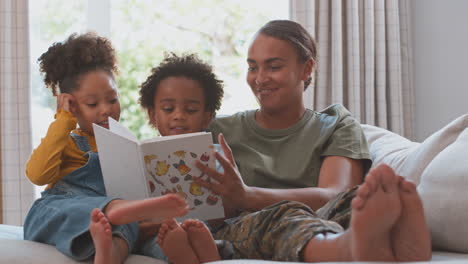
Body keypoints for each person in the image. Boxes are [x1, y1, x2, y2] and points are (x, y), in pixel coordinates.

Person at [191, 20, 432, 262]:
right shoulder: (217, 129)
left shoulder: (336, 123)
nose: (260, 78)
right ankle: (345, 248)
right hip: (251, 223)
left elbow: (335, 194)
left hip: (322, 215)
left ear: (307, 69)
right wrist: (243, 201)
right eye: (253, 68)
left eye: (273, 67)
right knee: (283, 216)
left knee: (358, 199)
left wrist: (248, 194)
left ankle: (401, 243)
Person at [23, 33, 189, 264]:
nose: (106, 110)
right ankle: (116, 209)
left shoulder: (124, 143)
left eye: (112, 100)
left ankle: (107, 254)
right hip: (66, 210)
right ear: (71, 105)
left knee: (125, 233)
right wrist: (63, 120)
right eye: (92, 104)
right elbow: (37, 174)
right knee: (107, 214)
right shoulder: (65, 140)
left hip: (112, 222)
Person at [138, 53, 224, 264]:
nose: (179, 115)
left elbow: (228, 207)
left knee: (207, 234)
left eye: (191, 110)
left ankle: (198, 249)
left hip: (204, 227)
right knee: (158, 240)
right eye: (168, 109)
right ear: (152, 115)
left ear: (207, 116)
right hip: (158, 230)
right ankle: (184, 252)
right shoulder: (140, 155)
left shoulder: (216, 155)